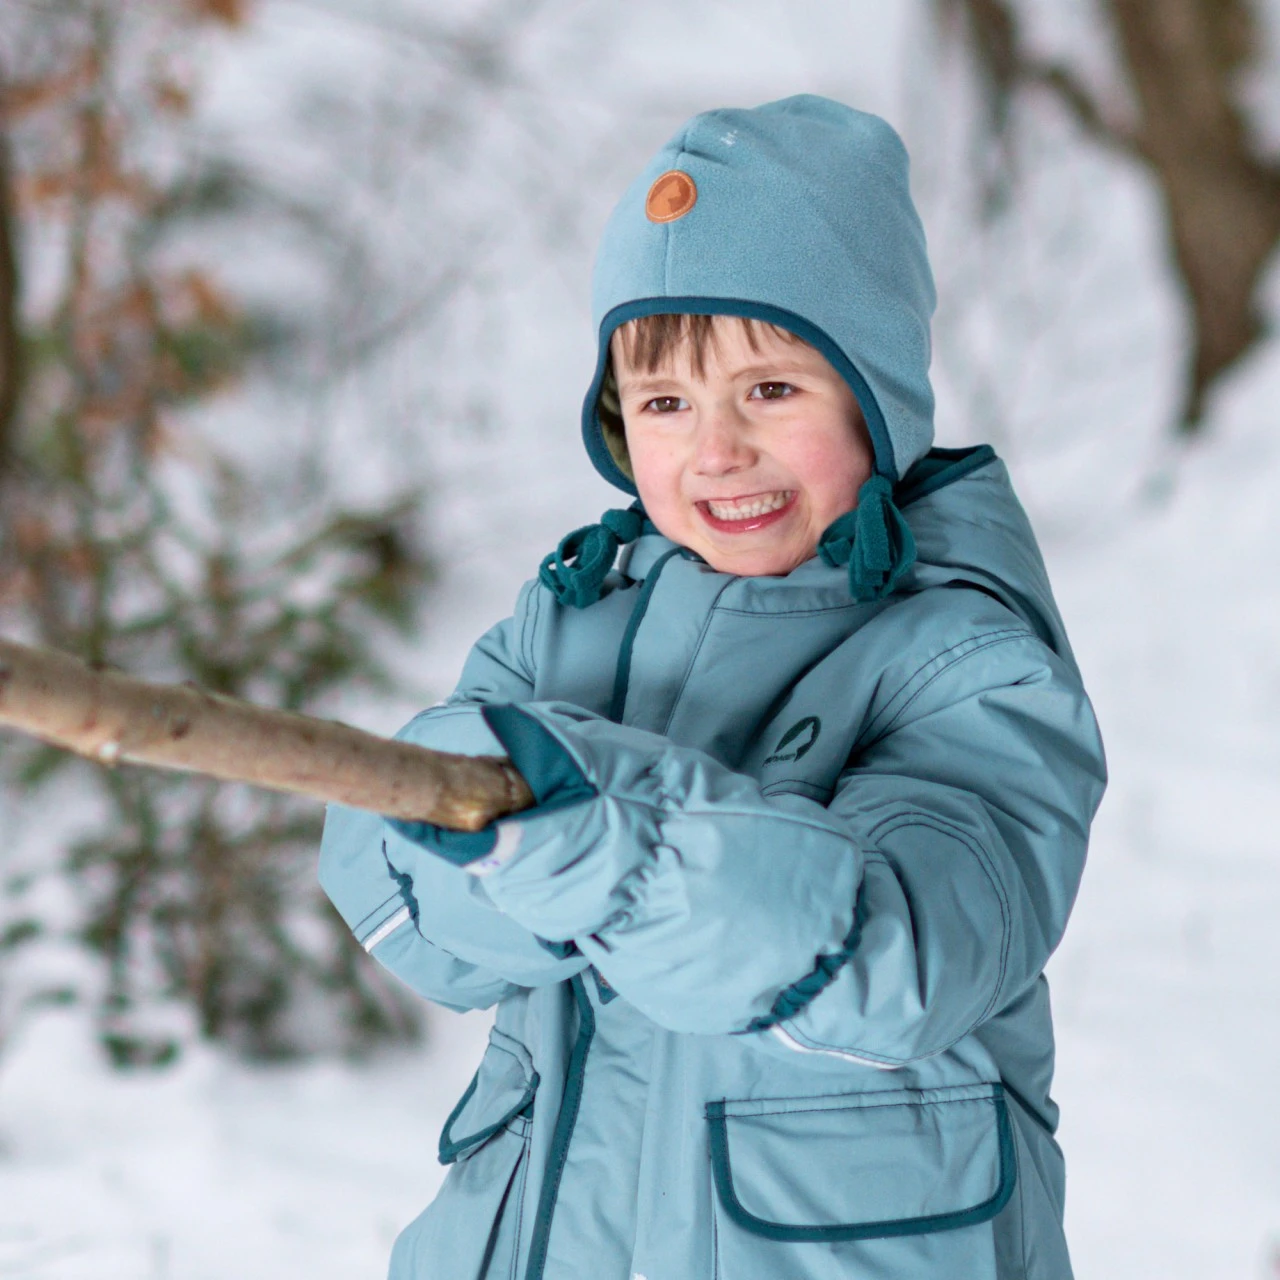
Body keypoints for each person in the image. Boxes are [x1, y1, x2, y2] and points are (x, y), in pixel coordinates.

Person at [319, 94, 1106, 1280]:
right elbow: (409, 912)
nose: (714, 449)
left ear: (874, 392)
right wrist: (466, 822)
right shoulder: (570, 620)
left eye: (771, 392)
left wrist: (608, 847)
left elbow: (898, 956)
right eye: (665, 403)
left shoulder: (965, 658)